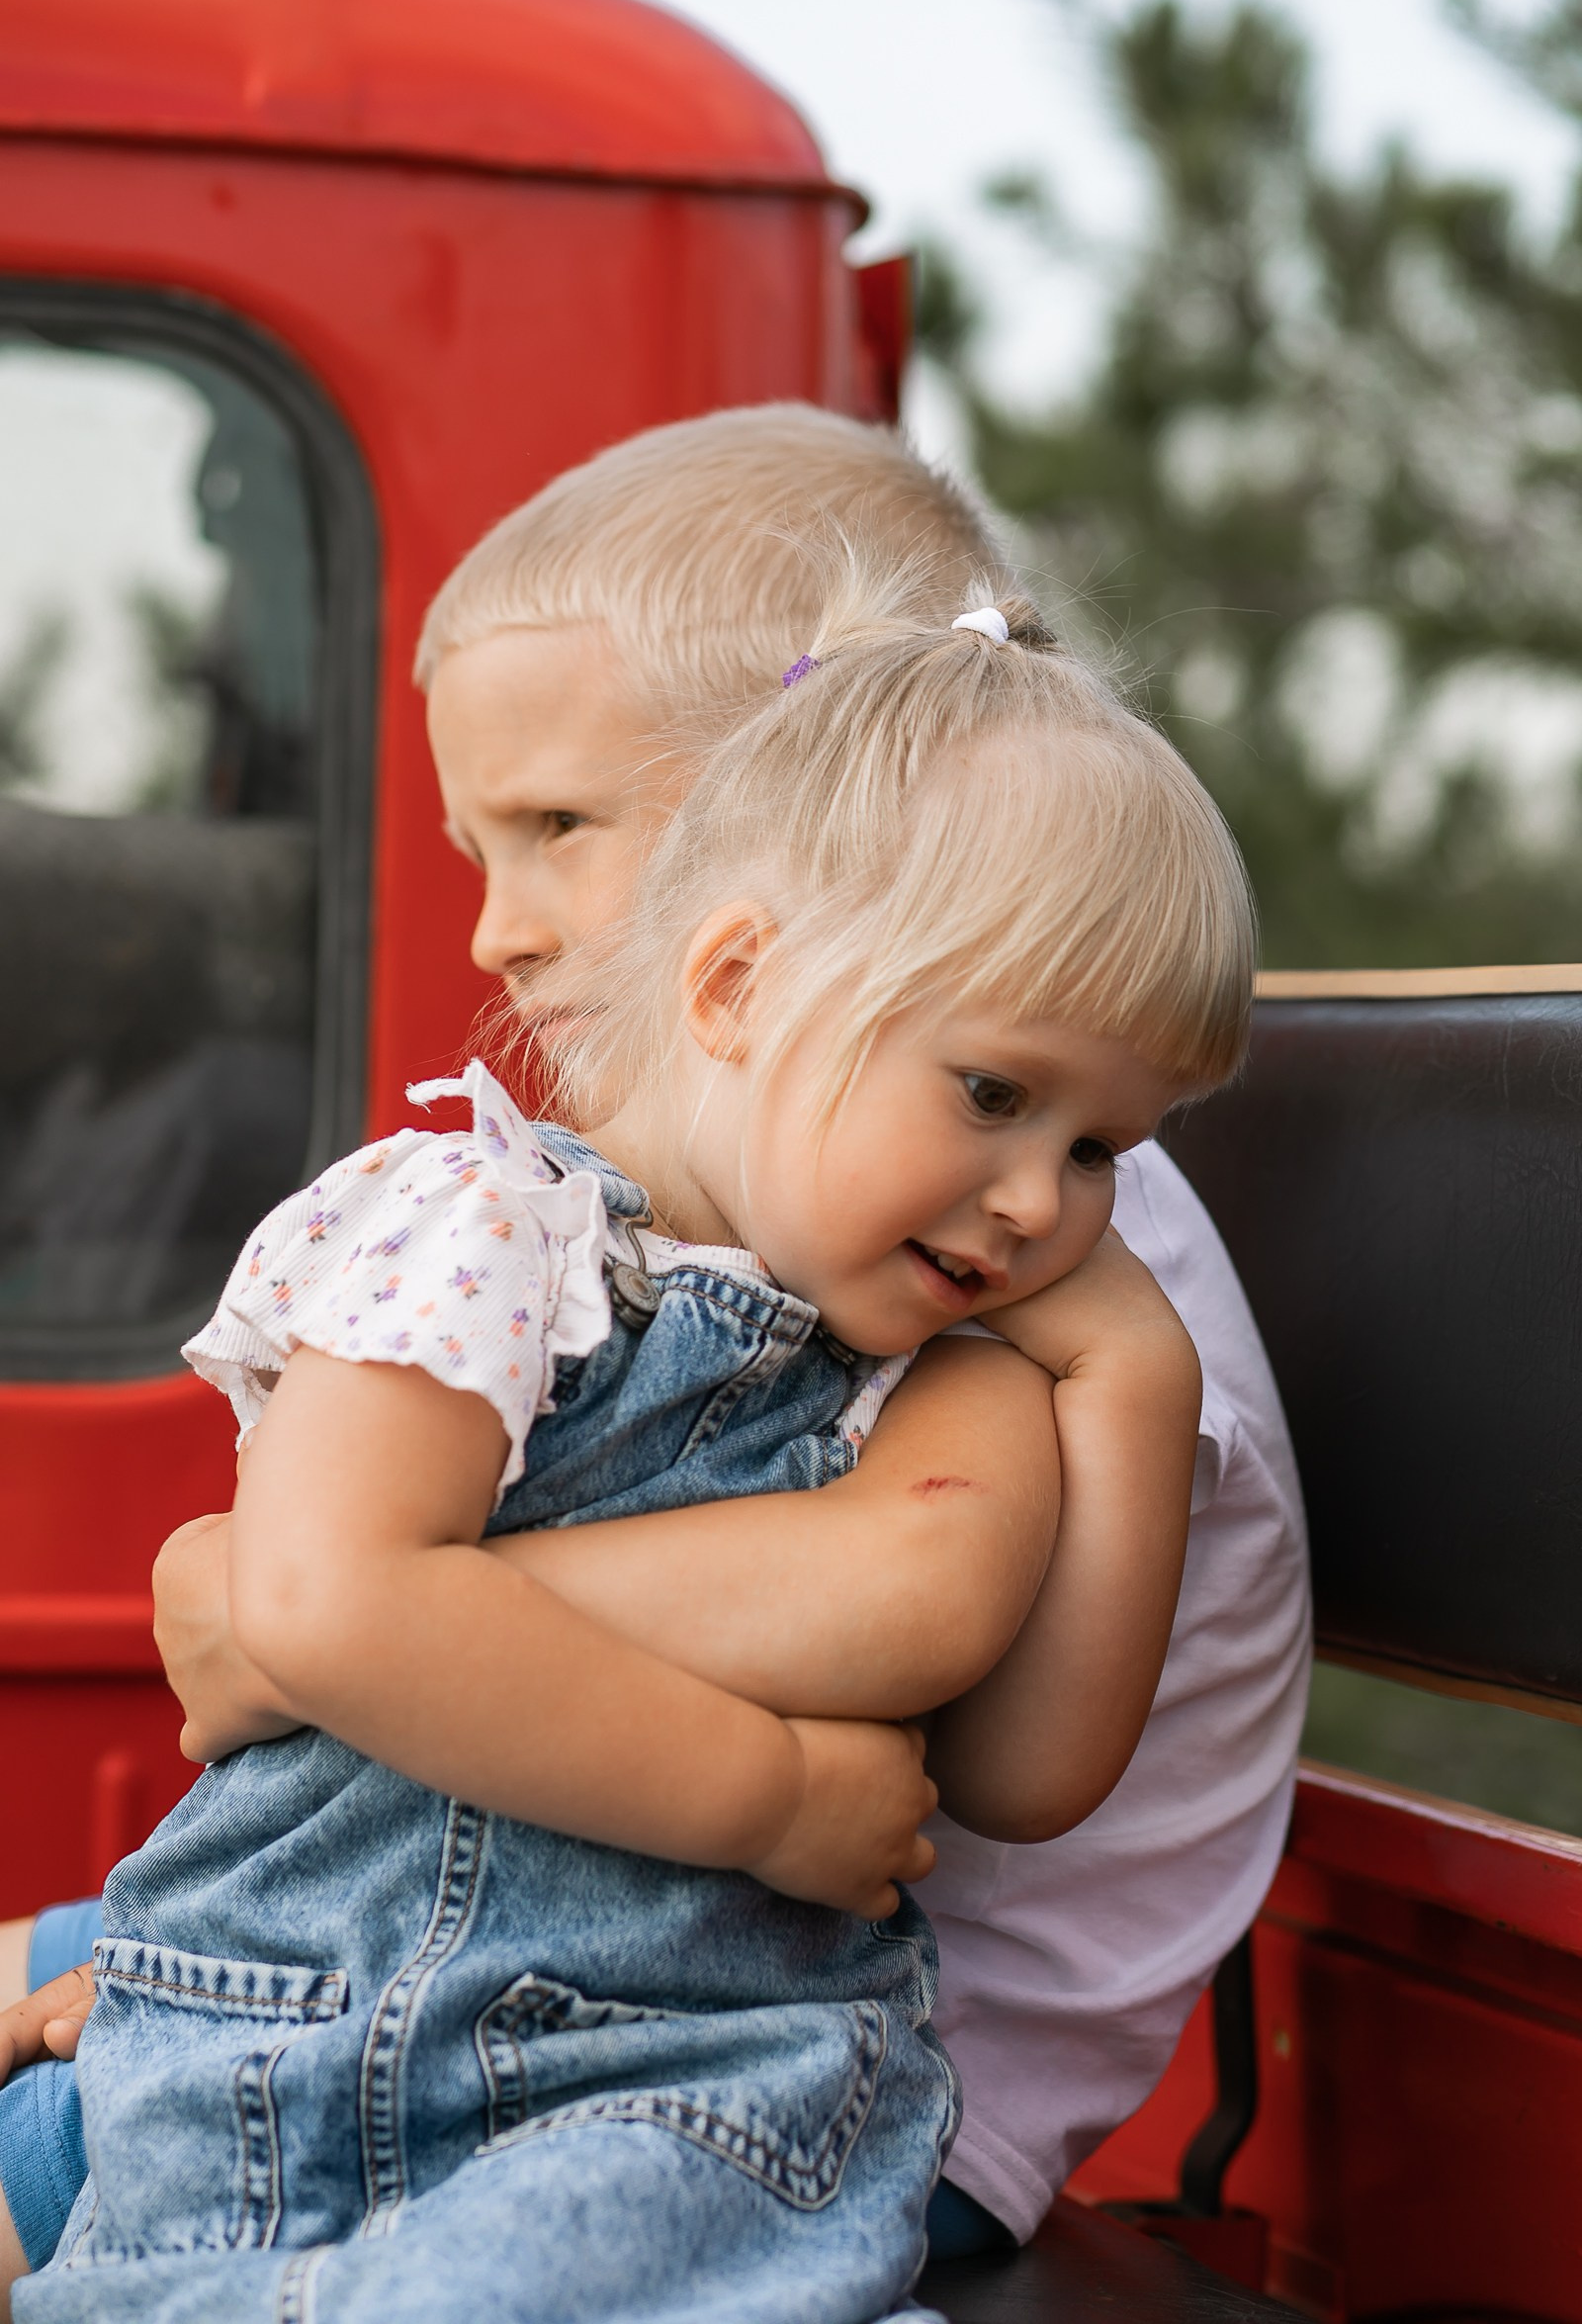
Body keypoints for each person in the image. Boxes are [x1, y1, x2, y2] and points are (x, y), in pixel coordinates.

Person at [0, 405, 1310, 2279]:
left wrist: (309, 1606)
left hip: (792, 2055)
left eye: (558, 828)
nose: (499, 930)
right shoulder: (606, 1208)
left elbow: (914, 1601)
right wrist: (328, 1596)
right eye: (477, 844)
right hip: (510, 1927)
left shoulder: (986, 1220)